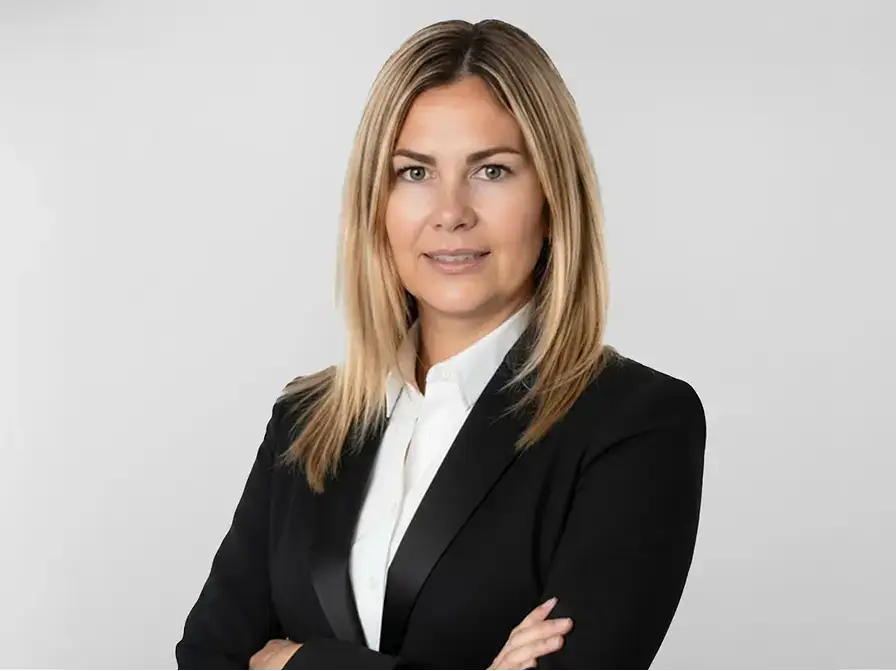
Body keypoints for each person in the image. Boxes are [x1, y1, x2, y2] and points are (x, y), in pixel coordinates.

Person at [174, 17, 706, 671]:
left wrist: (300, 662)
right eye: (415, 171)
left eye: (492, 169)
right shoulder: (307, 419)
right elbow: (208, 658)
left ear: (551, 198)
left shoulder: (635, 422)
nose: (450, 212)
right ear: (377, 202)